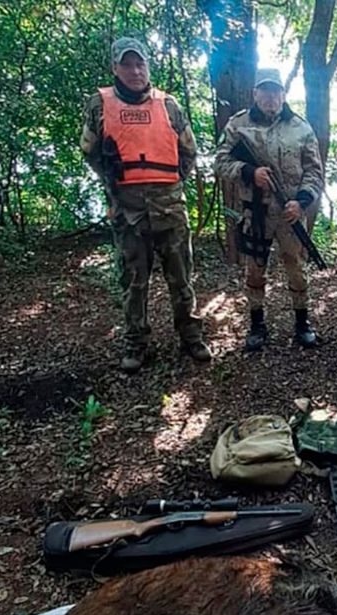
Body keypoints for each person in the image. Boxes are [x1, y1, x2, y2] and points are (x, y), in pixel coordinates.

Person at [80, 36, 210, 372]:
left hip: (170, 206)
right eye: (127, 64)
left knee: (181, 277)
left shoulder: (169, 105)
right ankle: (135, 343)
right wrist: (112, 181)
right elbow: (89, 151)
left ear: (147, 66)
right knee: (133, 281)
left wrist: (171, 184)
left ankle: (191, 337)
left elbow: (189, 151)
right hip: (128, 210)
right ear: (115, 68)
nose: (135, 71)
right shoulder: (99, 104)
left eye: (140, 64)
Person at [214, 68, 324, 352]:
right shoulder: (238, 124)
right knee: (254, 271)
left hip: (290, 214)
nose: (270, 97)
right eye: (265, 90)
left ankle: (302, 323)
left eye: (275, 91)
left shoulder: (301, 128)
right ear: (255, 93)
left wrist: (301, 201)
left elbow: (314, 171)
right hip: (256, 214)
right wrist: (249, 172)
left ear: (283, 94)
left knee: (297, 269)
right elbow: (220, 161)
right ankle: (257, 324)